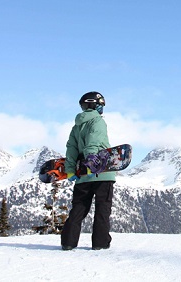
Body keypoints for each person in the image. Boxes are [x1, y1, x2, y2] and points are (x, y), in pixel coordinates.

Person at [60, 91, 116, 251]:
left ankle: (68, 242)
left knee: (78, 208)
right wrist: (92, 163)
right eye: (100, 105)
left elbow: (71, 149)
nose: (101, 108)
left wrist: (70, 170)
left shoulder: (76, 126)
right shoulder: (98, 122)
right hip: (102, 173)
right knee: (102, 209)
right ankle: (100, 243)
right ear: (93, 104)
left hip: (83, 176)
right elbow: (93, 144)